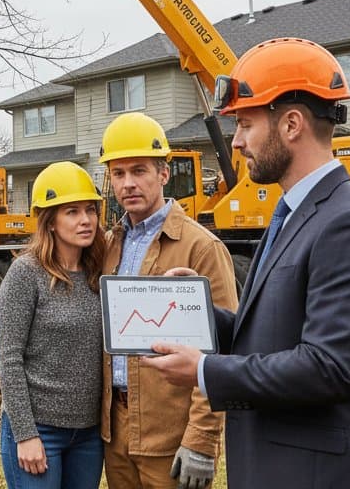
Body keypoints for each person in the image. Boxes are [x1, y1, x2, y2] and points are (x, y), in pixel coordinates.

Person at [144, 38, 350, 489]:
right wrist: (198, 311)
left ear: (290, 124)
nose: (238, 141)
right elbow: (276, 331)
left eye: (245, 124)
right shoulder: (294, 213)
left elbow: (328, 368)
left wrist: (206, 371)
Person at [99, 112, 237, 489]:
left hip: (170, 433)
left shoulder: (201, 248)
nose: (128, 183)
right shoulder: (110, 246)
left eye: (139, 170)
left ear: (164, 172)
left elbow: (222, 351)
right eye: (118, 173)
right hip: (117, 432)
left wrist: (201, 441)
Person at [0, 161, 107, 489]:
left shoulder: (99, 273)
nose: (85, 220)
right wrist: (26, 434)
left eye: (90, 210)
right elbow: (8, 358)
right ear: (51, 222)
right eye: (71, 211)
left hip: (88, 434)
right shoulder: (26, 274)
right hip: (39, 430)